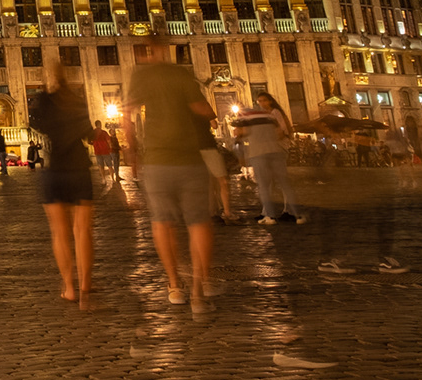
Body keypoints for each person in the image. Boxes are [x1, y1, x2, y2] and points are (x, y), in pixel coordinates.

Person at [125, 43, 218, 309]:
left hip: (156, 158)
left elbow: (126, 111)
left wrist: (131, 148)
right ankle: (202, 284)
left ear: (145, 52)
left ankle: (175, 284)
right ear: (166, 49)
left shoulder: (141, 75)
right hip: (188, 156)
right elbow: (204, 109)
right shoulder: (180, 74)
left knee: (162, 223)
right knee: (199, 222)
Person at [30, 63, 95, 304]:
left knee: (59, 233)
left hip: (55, 167)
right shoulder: (77, 100)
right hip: (79, 168)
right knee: (83, 231)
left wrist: (45, 97)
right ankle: (86, 286)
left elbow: (38, 125)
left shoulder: (45, 101)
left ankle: (69, 287)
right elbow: (89, 133)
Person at [234, 94, 299, 223]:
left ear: (270, 101)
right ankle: (267, 212)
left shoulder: (274, 113)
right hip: (272, 148)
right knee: (270, 182)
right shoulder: (262, 114)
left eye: (264, 100)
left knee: (275, 182)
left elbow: (281, 130)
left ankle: (287, 211)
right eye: (259, 101)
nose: (261, 103)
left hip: (277, 147)